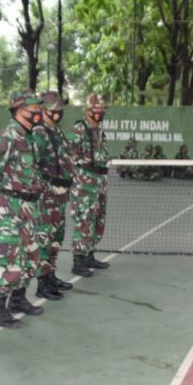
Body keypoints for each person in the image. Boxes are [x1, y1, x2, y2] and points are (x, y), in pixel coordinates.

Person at [0, 89, 49, 323]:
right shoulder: (7, 137)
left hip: (29, 206)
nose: (39, 112)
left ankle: (18, 298)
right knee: (9, 256)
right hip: (11, 205)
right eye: (35, 108)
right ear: (21, 110)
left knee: (30, 254)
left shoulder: (30, 137)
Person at [32, 91, 76, 300]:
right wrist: (44, 188)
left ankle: (51, 275)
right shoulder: (39, 133)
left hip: (60, 195)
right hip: (47, 195)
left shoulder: (57, 132)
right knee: (45, 238)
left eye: (60, 107)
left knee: (56, 238)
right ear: (44, 109)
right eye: (55, 107)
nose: (59, 111)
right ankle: (42, 283)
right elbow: (33, 165)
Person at [69, 94, 110, 277]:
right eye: (96, 109)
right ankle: (78, 261)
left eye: (102, 109)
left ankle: (89, 255)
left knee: (97, 220)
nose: (99, 112)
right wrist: (77, 176)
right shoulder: (80, 128)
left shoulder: (99, 130)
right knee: (84, 220)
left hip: (100, 181)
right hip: (85, 183)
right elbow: (69, 153)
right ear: (87, 111)